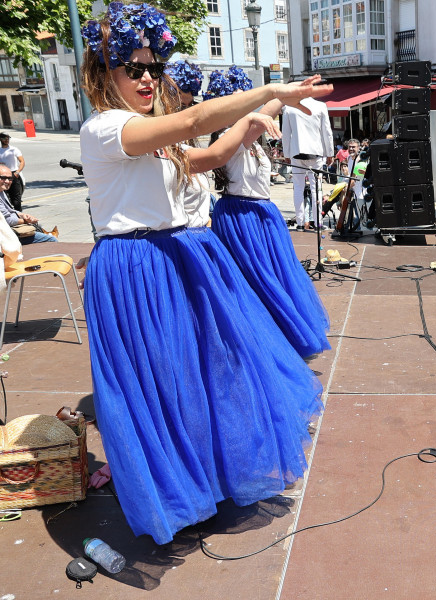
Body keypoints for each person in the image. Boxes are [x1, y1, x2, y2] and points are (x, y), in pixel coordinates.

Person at [78, 3, 331, 544]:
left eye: (153, 67)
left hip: (169, 260)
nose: (148, 78)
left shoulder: (148, 134)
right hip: (135, 269)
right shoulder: (106, 128)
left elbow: (210, 154)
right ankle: (178, 489)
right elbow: (195, 121)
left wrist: (249, 120)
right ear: (106, 75)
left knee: (196, 372)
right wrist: (270, 93)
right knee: (161, 381)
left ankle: (208, 479)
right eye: (133, 67)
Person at [203, 68, 331, 359]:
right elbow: (263, 117)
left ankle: (279, 335)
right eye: (239, 100)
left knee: (274, 275)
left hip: (260, 214)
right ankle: (269, 338)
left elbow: (262, 119)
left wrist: (286, 94)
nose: (247, 105)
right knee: (258, 279)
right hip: (242, 217)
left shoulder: (246, 134)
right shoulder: (232, 134)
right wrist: (283, 95)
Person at [281, 95, 333, 229]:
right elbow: (327, 132)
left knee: (298, 188)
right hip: (316, 152)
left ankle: (300, 222)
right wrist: (330, 152)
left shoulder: (288, 107)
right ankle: (318, 222)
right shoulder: (320, 106)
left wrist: (286, 153)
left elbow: (285, 133)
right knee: (317, 188)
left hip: (296, 152)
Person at [0, 165, 57, 243]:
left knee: (38, 229)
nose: (7, 181)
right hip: (6, 233)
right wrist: (27, 221)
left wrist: (22, 215)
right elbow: (7, 220)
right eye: (3, 178)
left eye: (10, 178)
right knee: (51, 239)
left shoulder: (1, 191)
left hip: (10, 229)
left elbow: (9, 210)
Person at [0, 132, 25, 211]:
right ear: (1, 139)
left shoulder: (14, 149)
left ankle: (19, 213)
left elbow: (22, 161)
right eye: (5, 138)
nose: (7, 140)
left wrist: (17, 172)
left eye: (8, 138)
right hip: (2, 176)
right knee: (4, 197)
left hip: (13, 174)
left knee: (16, 198)